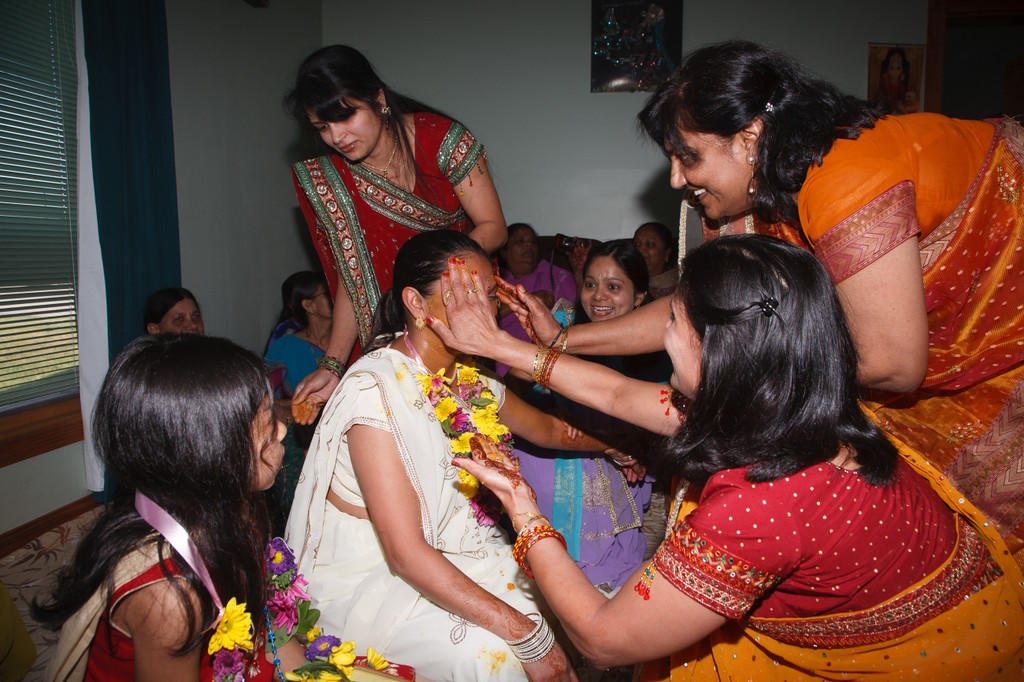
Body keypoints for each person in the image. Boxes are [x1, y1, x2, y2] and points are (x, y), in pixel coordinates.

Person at [519, 40, 1024, 566]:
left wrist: (735, 379)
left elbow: (893, 363)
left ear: (750, 137)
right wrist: (562, 338)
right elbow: (692, 312)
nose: (675, 179)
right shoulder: (762, 192)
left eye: (687, 156)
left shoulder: (845, 177)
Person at [430, 233, 1024, 681]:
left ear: (718, 348)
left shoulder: (761, 504)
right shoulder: (780, 402)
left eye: (671, 318)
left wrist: (523, 507)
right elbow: (616, 394)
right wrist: (502, 345)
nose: (660, 332)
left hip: (930, 651)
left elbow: (603, 640)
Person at [285, 231, 621, 681]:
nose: (484, 311)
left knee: (561, 595)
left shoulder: (467, 374)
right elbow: (404, 554)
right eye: (464, 295)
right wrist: (525, 636)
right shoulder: (374, 391)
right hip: (372, 576)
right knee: (492, 655)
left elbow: (547, 429)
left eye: (488, 296)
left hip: (458, 548)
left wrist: (618, 444)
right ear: (416, 304)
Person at [32, 335, 293, 680]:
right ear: (211, 452)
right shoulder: (169, 596)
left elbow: (268, 634)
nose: (283, 430)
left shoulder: (238, 508)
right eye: (268, 428)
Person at [285, 45, 507, 422]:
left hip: (457, 307)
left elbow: (494, 228)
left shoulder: (442, 141)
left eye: (345, 116)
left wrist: (434, 276)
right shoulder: (334, 180)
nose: (337, 136)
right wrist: (333, 365)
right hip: (387, 334)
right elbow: (354, 279)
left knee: (467, 430)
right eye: (322, 127)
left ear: (378, 99)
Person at [263, 271, 333, 534]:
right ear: (309, 305)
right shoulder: (286, 347)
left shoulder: (351, 342)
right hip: (298, 439)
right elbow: (266, 399)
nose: (335, 297)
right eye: (327, 293)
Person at [497, 223, 576, 380]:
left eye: (532, 242)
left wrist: (578, 271)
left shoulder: (556, 275)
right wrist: (528, 300)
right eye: (520, 241)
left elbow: (579, 309)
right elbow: (486, 316)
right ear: (504, 252)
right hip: (504, 357)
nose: (529, 246)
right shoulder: (496, 281)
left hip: (550, 357)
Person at [631, 222, 677, 300]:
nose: (640, 250)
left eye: (650, 244)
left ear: (667, 253)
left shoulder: (678, 291)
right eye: (637, 244)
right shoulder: (625, 282)